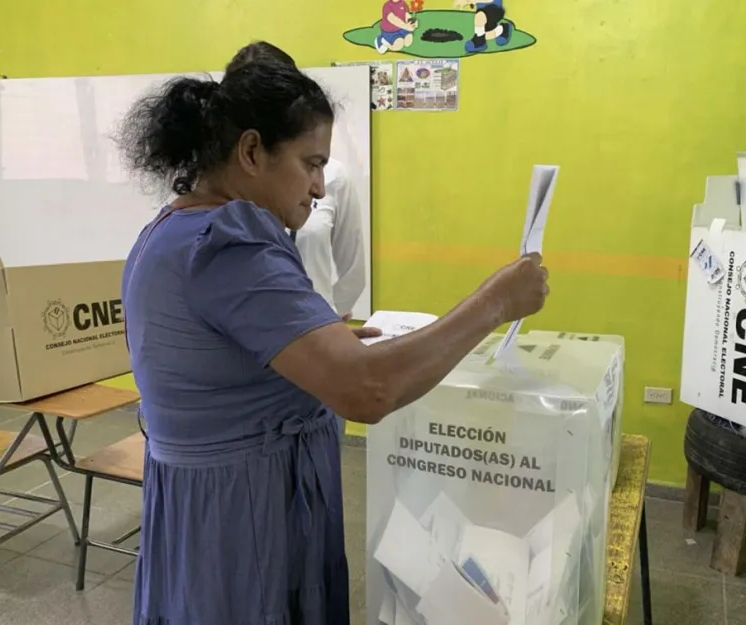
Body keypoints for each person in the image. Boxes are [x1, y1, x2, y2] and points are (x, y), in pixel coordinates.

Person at [118, 41, 548, 625]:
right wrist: (496, 300)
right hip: (243, 515)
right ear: (251, 151)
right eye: (311, 163)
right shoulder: (229, 244)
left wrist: (327, 348)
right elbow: (366, 390)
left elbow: (237, 358)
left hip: (217, 502)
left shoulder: (177, 226)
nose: (320, 188)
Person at [226, 43, 366, 441]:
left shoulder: (330, 179)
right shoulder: (218, 202)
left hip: (316, 351)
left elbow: (351, 267)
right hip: (251, 368)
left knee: (317, 468)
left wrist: (325, 324)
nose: (316, 184)